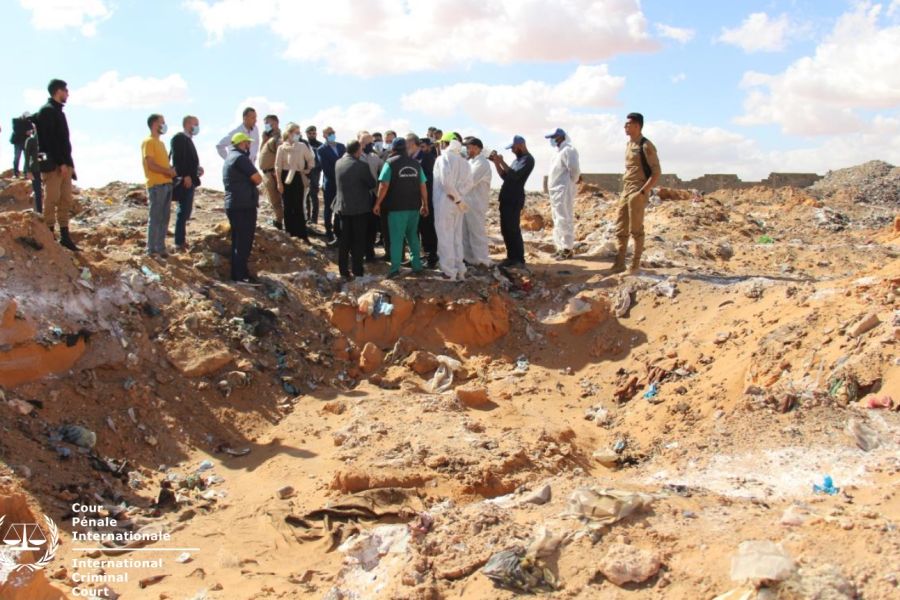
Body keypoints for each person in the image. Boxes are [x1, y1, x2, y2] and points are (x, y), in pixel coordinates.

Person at [373, 137, 429, 278]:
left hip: (396, 208)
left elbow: (384, 185)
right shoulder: (416, 164)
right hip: (414, 207)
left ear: (393, 149)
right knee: (413, 237)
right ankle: (417, 266)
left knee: (396, 239)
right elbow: (423, 185)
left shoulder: (390, 163)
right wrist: (425, 204)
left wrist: (378, 203)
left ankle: (394, 270)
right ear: (406, 148)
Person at [36, 78, 79, 251]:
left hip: (64, 164)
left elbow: (64, 142)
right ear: (58, 91)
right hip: (54, 165)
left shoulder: (59, 112)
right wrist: (61, 162)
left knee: (66, 200)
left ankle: (65, 236)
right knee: (52, 199)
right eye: (66, 90)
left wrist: (70, 164)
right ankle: (48, 234)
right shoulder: (47, 112)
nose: (68, 94)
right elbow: (50, 141)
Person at [615, 112, 661, 274]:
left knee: (636, 229)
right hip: (626, 190)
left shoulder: (646, 145)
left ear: (637, 125)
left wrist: (642, 192)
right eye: (625, 124)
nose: (625, 127)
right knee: (621, 227)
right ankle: (619, 263)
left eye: (628, 124)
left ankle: (634, 265)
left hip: (638, 191)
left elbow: (656, 172)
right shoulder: (629, 145)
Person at [223, 132, 263, 284]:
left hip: (234, 204)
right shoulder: (240, 158)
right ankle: (241, 276)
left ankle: (238, 274)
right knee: (244, 241)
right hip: (243, 205)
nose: (249, 145)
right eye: (247, 143)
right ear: (241, 143)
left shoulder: (229, 158)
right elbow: (257, 178)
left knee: (238, 240)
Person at [489, 135, 534, 268]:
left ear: (521, 145)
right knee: (505, 229)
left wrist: (501, 161)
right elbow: (505, 176)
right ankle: (511, 257)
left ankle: (518, 259)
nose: (512, 151)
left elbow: (514, 175)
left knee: (512, 228)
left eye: (513, 148)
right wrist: (496, 163)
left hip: (514, 198)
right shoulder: (517, 160)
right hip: (506, 197)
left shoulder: (528, 159)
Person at [433, 132, 473, 281]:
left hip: (446, 203)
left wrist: (455, 198)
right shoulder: (464, 162)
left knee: (445, 237)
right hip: (459, 205)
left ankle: (448, 272)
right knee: (456, 237)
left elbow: (446, 183)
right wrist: (460, 198)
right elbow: (469, 183)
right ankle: (460, 269)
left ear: (445, 143)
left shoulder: (443, 158)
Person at [333, 140, 375, 280]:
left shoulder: (338, 163)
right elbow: (371, 183)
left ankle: (343, 270)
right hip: (359, 209)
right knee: (358, 240)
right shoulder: (361, 166)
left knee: (344, 240)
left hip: (342, 208)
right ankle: (357, 270)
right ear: (357, 151)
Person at [142, 114, 177, 258]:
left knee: (164, 217)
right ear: (155, 124)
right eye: (162, 122)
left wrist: (171, 170)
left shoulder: (161, 144)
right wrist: (167, 171)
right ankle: (151, 249)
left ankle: (160, 247)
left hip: (167, 184)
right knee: (156, 217)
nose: (164, 125)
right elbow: (150, 164)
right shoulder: (148, 142)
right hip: (156, 185)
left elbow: (163, 163)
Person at [274, 122, 315, 241]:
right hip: (286, 177)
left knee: (298, 206)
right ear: (289, 133)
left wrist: (307, 170)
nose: (298, 134)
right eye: (296, 132)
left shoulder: (302, 146)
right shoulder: (281, 147)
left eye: (299, 132)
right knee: (287, 206)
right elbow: (278, 166)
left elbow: (311, 159)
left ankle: (301, 235)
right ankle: (290, 233)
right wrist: (279, 183)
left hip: (297, 176)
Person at [545, 128, 581, 260]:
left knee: (564, 217)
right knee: (557, 218)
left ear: (560, 137)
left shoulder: (569, 150)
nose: (552, 140)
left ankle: (567, 248)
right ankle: (560, 247)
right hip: (555, 190)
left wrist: (570, 183)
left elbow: (575, 170)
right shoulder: (557, 152)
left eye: (554, 138)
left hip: (563, 189)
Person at [169, 115, 204, 252]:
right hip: (185, 180)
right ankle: (179, 242)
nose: (197, 127)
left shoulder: (188, 140)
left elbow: (188, 161)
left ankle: (181, 240)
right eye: (195, 124)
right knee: (183, 212)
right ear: (188, 124)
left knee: (186, 211)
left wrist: (196, 170)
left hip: (190, 179)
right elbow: (178, 160)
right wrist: (186, 176)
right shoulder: (179, 138)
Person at [462, 136, 492, 267]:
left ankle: (482, 260)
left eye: (468, 147)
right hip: (467, 202)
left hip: (476, 203)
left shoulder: (482, 163)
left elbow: (469, 181)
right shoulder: (471, 162)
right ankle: (469, 259)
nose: (467, 150)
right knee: (465, 233)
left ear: (476, 147)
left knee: (476, 232)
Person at [357, 131, 385, 261]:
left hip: (373, 195)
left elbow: (384, 168)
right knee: (360, 225)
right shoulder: (355, 157)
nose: (369, 145)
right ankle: (359, 251)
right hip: (359, 196)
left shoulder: (374, 157)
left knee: (372, 226)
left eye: (371, 143)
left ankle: (370, 252)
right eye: (366, 143)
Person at [316, 126, 346, 244]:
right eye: (329, 133)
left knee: (340, 209)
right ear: (324, 135)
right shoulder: (321, 150)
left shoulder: (341, 146)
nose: (331, 134)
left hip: (343, 183)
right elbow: (326, 169)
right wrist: (339, 177)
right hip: (330, 183)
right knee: (329, 208)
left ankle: (339, 232)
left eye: (333, 132)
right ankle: (329, 231)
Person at [414, 136, 438, 268]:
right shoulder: (415, 157)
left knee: (428, 228)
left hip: (426, 198)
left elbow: (429, 178)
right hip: (418, 198)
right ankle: (422, 255)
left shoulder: (428, 158)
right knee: (419, 228)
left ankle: (431, 257)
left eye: (423, 146)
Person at [257, 114, 283, 229]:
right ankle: (277, 220)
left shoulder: (279, 138)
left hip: (273, 172)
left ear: (276, 123)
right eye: (265, 123)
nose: (267, 126)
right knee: (272, 200)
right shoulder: (268, 138)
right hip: (266, 172)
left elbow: (281, 154)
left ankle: (279, 222)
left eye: (269, 123)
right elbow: (262, 151)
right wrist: (264, 139)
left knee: (277, 200)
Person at [305, 125, 323, 227]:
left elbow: (321, 160)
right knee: (305, 195)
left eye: (314, 133)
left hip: (315, 172)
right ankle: (306, 217)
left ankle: (314, 218)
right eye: (310, 133)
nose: (312, 135)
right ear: (306, 134)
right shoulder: (304, 144)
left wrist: (317, 168)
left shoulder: (320, 145)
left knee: (313, 195)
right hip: (305, 172)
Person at [23, 124, 42, 212]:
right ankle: (39, 212)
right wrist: (28, 170)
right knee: (38, 191)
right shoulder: (31, 140)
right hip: (35, 169)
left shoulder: (47, 139)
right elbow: (26, 156)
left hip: (47, 169)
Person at [10, 112, 31, 177]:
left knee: (27, 158)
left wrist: (31, 131)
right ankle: (16, 172)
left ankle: (25, 172)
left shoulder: (28, 122)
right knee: (17, 157)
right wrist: (25, 132)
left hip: (26, 142)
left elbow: (31, 129)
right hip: (18, 142)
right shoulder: (16, 121)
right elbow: (16, 130)